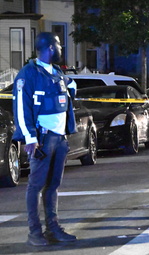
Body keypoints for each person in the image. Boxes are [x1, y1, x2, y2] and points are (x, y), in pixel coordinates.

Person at [12, 32, 78, 246]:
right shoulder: (28, 74)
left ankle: (53, 229)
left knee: (53, 185)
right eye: (59, 45)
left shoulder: (56, 72)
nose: (61, 49)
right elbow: (21, 109)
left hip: (59, 139)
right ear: (50, 48)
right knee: (36, 185)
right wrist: (30, 138)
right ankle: (35, 232)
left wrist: (71, 88)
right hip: (42, 138)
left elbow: (66, 92)